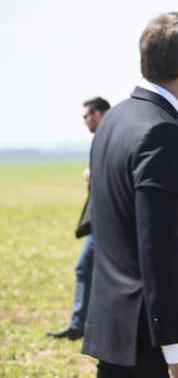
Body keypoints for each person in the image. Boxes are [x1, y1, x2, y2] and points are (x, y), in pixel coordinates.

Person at [82, 12, 178, 378]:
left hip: (116, 335)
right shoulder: (162, 132)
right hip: (159, 347)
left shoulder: (115, 119)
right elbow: (159, 250)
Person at [47, 96, 110, 341]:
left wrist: (94, 175)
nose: (84, 122)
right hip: (101, 220)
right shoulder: (107, 136)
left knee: (96, 270)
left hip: (110, 219)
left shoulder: (112, 135)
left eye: (86, 116)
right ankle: (80, 325)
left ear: (97, 114)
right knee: (86, 268)